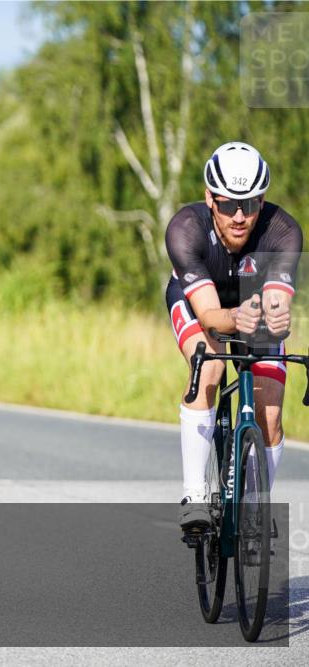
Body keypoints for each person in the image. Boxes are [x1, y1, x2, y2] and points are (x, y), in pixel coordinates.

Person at [165, 142, 302, 529]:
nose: (240, 216)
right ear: (210, 198)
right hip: (199, 302)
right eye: (228, 205)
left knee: (269, 411)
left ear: (263, 201)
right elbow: (209, 316)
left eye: (250, 204)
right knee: (208, 365)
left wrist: (276, 316)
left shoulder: (283, 230)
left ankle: (256, 508)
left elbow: (277, 301)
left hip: (251, 304)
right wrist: (235, 317)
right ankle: (194, 495)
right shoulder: (185, 228)